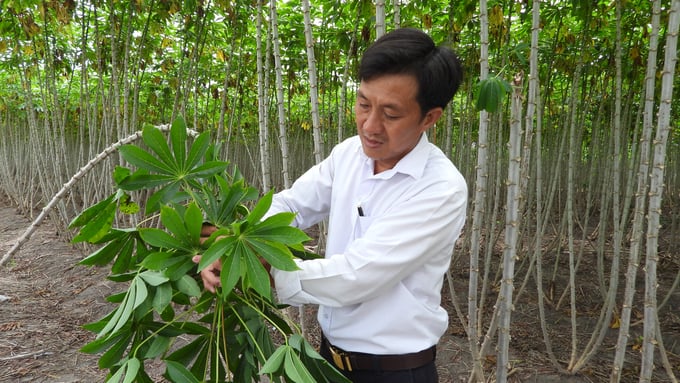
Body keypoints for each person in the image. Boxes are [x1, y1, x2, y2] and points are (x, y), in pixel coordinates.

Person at [194, 28, 466, 383]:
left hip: (395, 371)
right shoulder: (350, 153)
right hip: (326, 359)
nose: (370, 125)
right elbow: (292, 205)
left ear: (429, 117)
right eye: (363, 104)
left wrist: (256, 267)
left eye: (390, 114)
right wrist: (228, 239)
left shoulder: (441, 189)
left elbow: (358, 275)